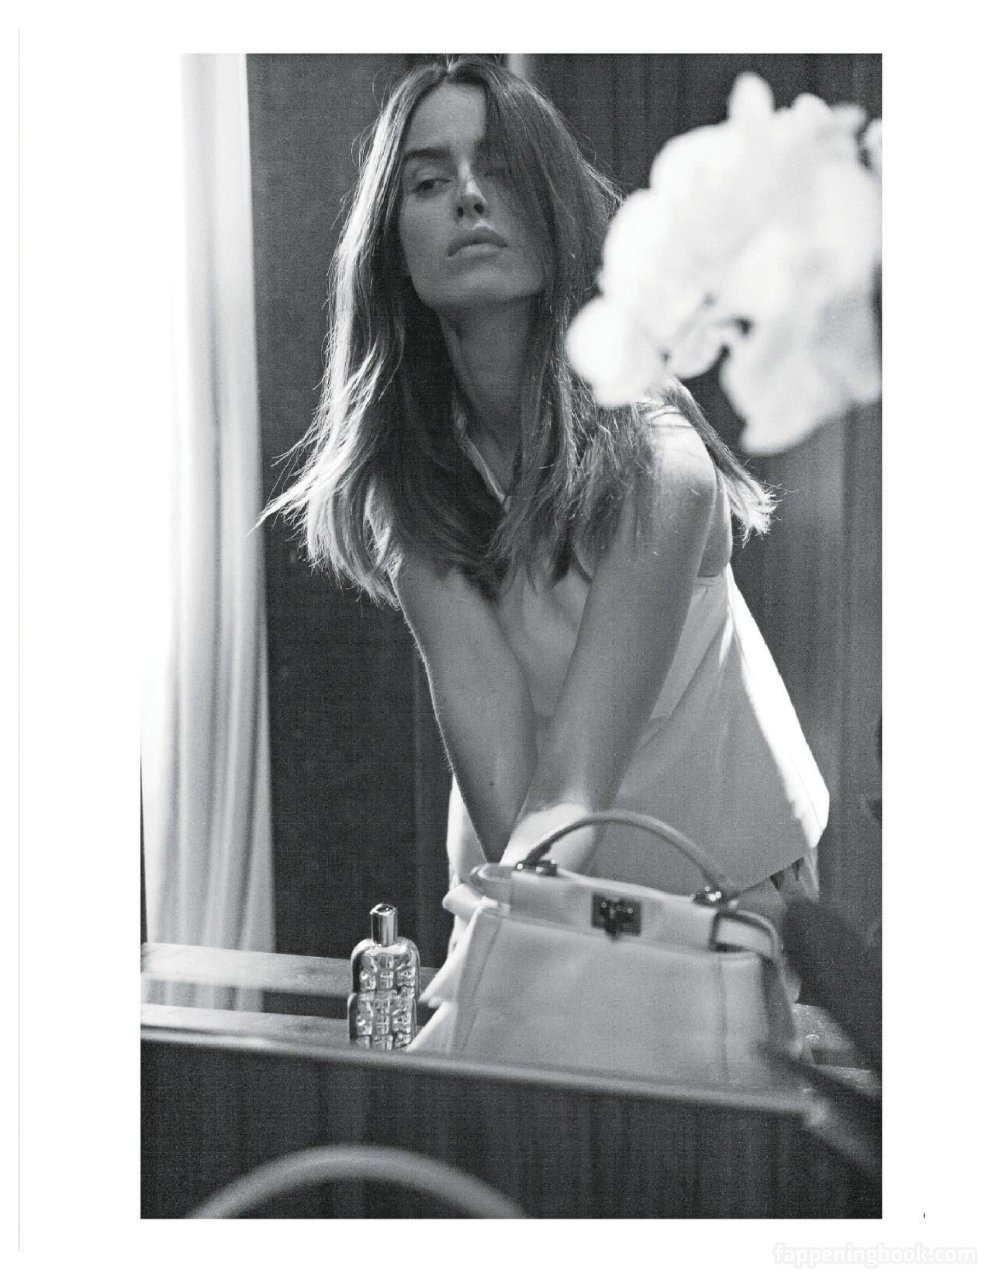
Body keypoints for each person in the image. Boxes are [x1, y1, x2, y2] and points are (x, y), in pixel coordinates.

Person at [268, 56, 828, 949]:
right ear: (390, 247)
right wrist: (521, 933)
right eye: (427, 181)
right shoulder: (407, 484)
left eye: (497, 169)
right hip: (534, 878)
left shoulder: (656, 458)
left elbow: (574, 786)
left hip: (720, 890)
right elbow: (505, 768)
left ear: (553, 205)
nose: (467, 196)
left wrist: (532, 919)